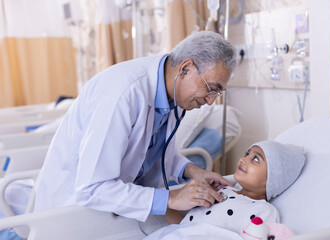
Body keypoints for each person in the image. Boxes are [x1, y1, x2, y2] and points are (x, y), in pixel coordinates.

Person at [33, 31, 237, 222]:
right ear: (185, 68)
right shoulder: (122, 95)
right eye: (211, 89)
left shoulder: (173, 94)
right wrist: (171, 197)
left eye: (218, 94)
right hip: (72, 213)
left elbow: (151, 151)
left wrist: (192, 171)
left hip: (116, 211)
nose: (211, 101)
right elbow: (92, 187)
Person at [144, 140, 305, 239]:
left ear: (274, 177)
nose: (243, 159)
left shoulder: (264, 210)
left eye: (255, 159)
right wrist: (164, 200)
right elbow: (184, 228)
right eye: (246, 153)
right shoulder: (221, 191)